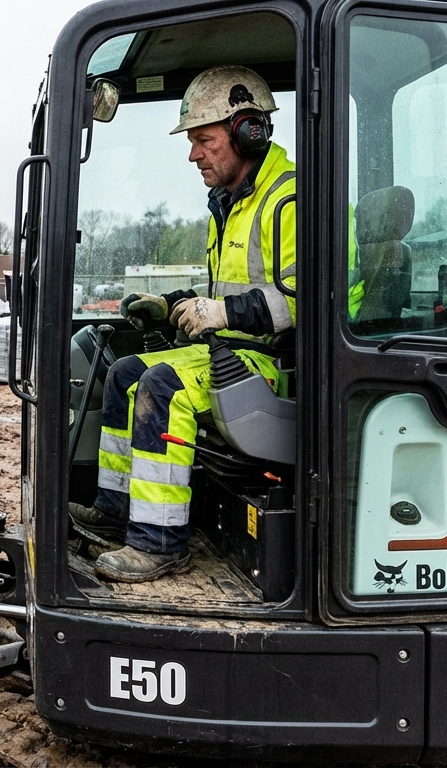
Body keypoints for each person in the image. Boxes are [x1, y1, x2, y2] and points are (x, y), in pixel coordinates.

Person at [69, 66, 296, 583]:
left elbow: (308, 300)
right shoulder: (233, 204)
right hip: (234, 350)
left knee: (162, 386)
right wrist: (171, 301)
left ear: (247, 131)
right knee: (127, 372)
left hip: (276, 364)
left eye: (203, 140)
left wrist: (220, 314)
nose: (193, 154)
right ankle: (117, 509)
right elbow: (228, 293)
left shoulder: (289, 199)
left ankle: (160, 543)